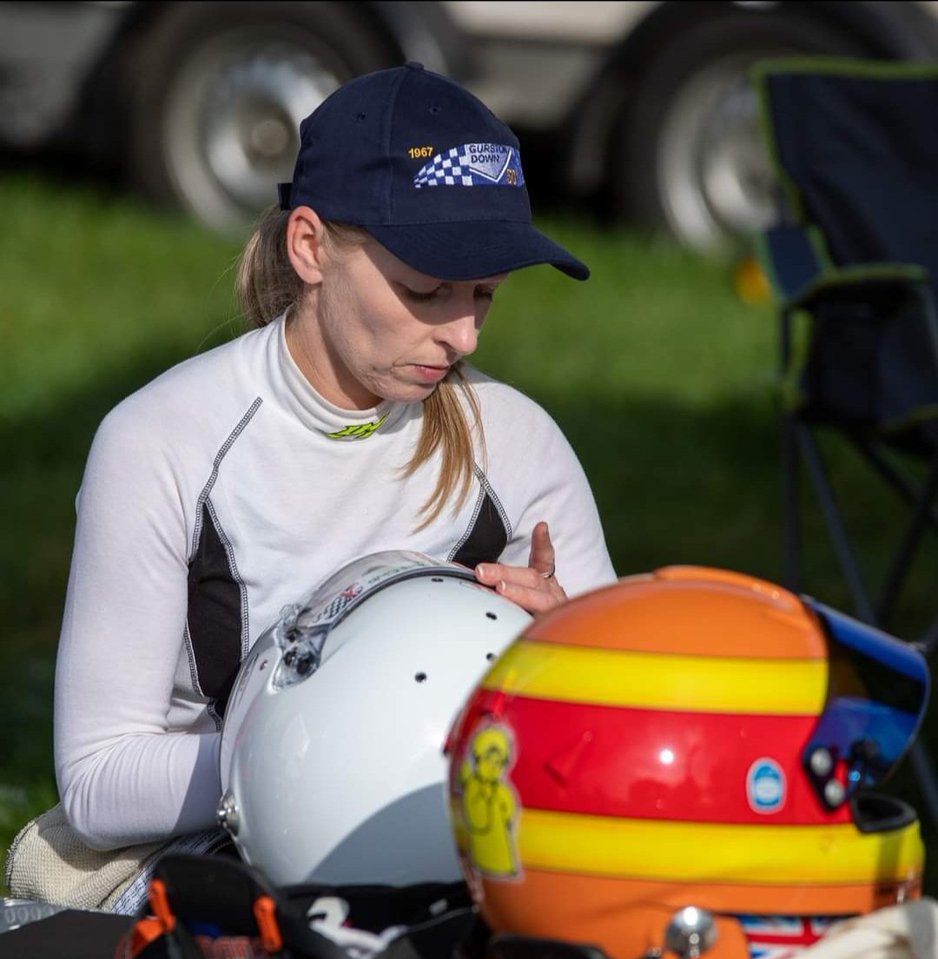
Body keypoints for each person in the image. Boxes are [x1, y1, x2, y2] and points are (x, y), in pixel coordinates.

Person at [19, 62, 615, 890]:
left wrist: (581, 664)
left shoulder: (513, 439)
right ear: (310, 247)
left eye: (485, 294)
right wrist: (319, 758)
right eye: (426, 289)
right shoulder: (161, 442)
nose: (464, 336)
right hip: (233, 858)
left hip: (471, 847)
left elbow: (615, 744)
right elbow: (96, 782)